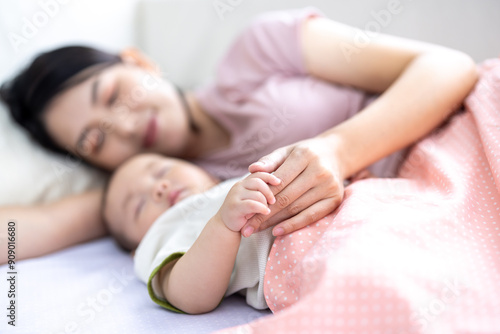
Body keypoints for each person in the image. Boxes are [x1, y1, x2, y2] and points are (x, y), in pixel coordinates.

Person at [0, 8, 478, 264]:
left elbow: (447, 65)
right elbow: (15, 235)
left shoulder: (258, 49)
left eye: (113, 95)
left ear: (139, 62)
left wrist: (339, 149)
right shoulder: (176, 197)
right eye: (95, 142)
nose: (125, 126)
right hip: (437, 224)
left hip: (470, 132)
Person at [103, 153, 281, 314]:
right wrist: (223, 225)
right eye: (139, 206)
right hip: (290, 257)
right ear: (138, 252)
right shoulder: (163, 235)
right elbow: (189, 295)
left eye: (161, 171)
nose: (159, 187)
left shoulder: (232, 183)